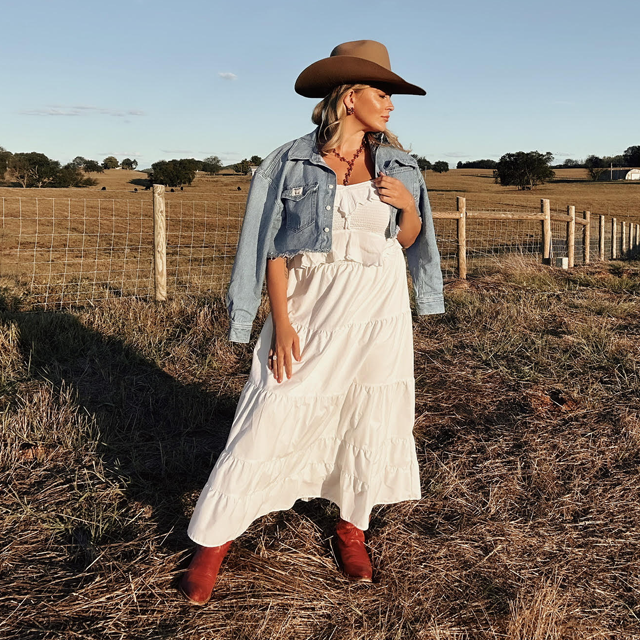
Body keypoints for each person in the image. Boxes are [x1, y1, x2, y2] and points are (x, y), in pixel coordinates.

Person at [179, 40, 444, 605]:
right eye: (382, 92)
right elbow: (272, 250)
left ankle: (352, 527)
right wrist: (281, 322)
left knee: (365, 413)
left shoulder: (400, 165)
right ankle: (214, 541)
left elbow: (403, 243)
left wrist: (412, 209)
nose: (391, 104)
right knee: (271, 410)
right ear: (350, 98)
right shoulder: (289, 161)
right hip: (312, 308)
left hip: (379, 311)